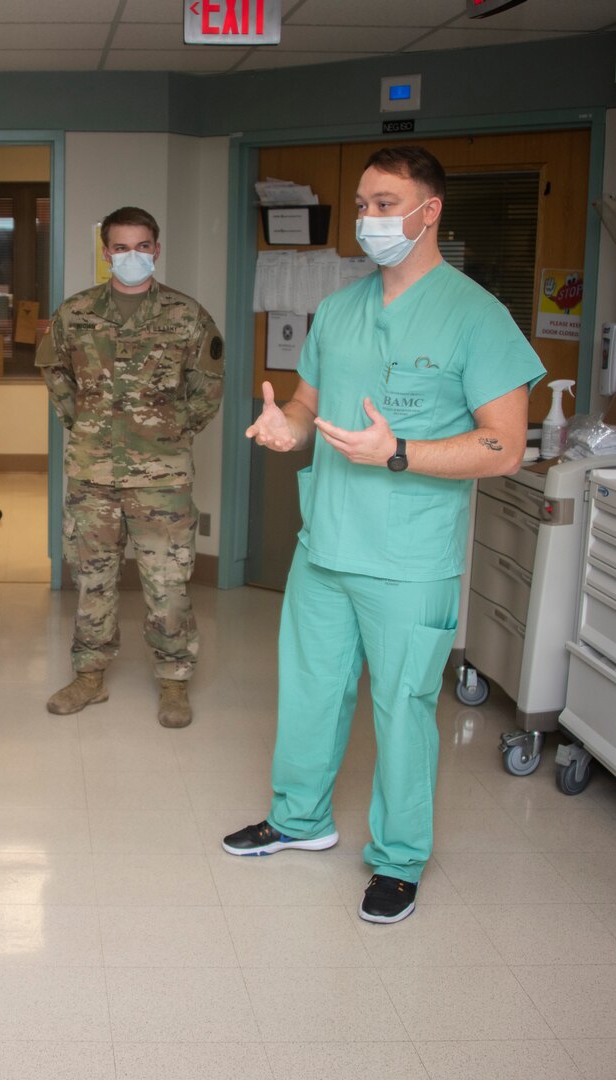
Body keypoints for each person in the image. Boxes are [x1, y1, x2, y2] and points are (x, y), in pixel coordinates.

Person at [222, 145, 545, 924]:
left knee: (402, 710)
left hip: (409, 557)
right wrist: (283, 427)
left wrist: (399, 451)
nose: (368, 219)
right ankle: (301, 820)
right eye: (363, 203)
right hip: (326, 545)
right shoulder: (339, 308)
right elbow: (308, 406)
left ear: (428, 211)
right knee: (307, 695)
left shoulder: (476, 315)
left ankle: (399, 859)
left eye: (384, 203)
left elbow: (505, 447)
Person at [36, 206, 224, 728]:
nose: (132, 256)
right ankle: (89, 677)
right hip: (92, 473)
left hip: (162, 479)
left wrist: (169, 430)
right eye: (121, 247)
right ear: (106, 253)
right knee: (92, 581)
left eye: (142, 246)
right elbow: (55, 374)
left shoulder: (187, 315)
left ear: (157, 250)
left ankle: (173, 681)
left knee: (168, 584)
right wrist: (85, 423)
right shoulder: (75, 313)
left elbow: (208, 387)